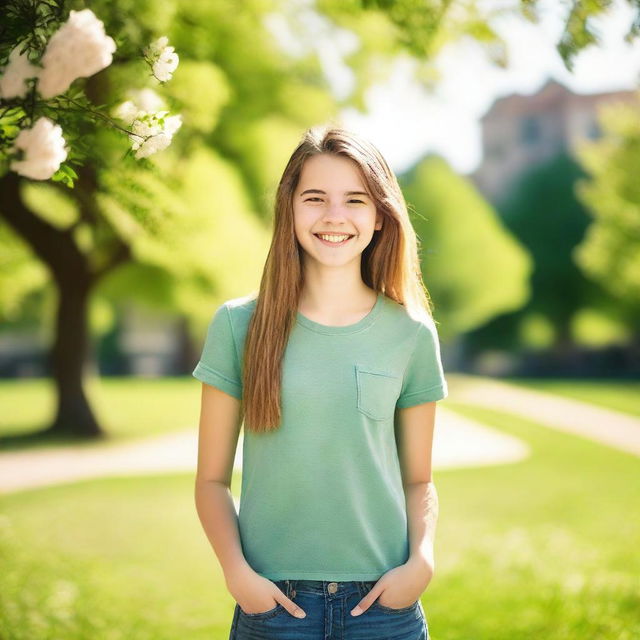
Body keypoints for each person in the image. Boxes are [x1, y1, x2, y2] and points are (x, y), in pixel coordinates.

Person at [192, 124, 448, 640]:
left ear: (379, 216)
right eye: (315, 198)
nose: (335, 216)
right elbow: (211, 482)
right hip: (274, 605)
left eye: (355, 199)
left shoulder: (411, 334)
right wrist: (238, 576)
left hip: (385, 607)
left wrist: (421, 560)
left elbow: (418, 479)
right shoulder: (239, 325)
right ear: (289, 210)